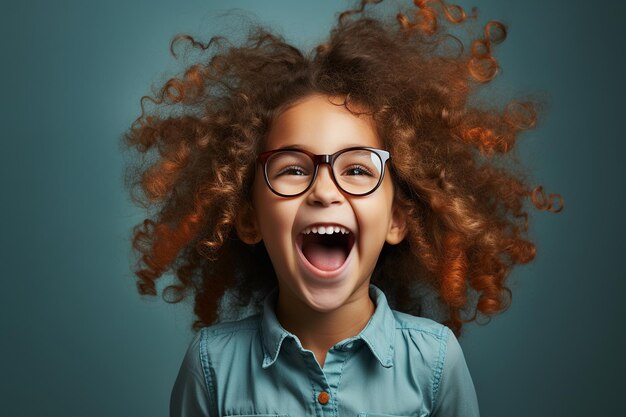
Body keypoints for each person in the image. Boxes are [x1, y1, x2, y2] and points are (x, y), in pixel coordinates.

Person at [122, 0, 563, 415]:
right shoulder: (212, 366)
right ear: (249, 218)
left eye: (356, 169)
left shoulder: (434, 363)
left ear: (396, 219)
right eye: (293, 169)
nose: (324, 191)